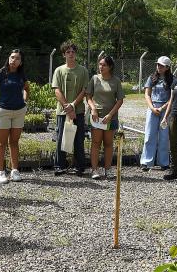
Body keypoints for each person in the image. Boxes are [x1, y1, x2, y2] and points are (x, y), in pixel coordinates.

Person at [0, 49, 30, 183]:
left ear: (21, 62)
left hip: (19, 112)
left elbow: (27, 88)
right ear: (8, 59)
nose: (14, 60)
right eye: (12, 57)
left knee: (14, 142)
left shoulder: (21, 75)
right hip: (3, 112)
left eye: (17, 58)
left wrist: (25, 101)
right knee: (1, 143)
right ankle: (0, 172)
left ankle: (14, 170)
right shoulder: (1, 73)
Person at [52, 40, 89, 176]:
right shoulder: (59, 70)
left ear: (76, 53)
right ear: (64, 54)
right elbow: (57, 90)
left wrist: (73, 105)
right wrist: (67, 107)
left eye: (73, 51)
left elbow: (84, 90)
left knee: (79, 139)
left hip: (78, 111)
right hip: (62, 112)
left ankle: (80, 166)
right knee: (62, 138)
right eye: (68, 52)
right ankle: (59, 166)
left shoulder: (83, 70)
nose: (71, 54)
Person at [86, 56, 125, 179]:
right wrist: (93, 109)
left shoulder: (116, 81)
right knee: (96, 142)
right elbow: (88, 96)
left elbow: (120, 100)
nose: (101, 67)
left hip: (110, 117)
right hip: (96, 117)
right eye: (100, 64)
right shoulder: (94, 78)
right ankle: (94, 170)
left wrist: (110, 115)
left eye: (104, 65)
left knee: (108, 143)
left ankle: (108, 169)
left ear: (110, 67)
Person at [140, 56, 173, 171]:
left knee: (164, 137)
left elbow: (172, 97)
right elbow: (147, 94)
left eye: (162, 65)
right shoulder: (151, 78)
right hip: (152, 108)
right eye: (158, 64)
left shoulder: (172, 80)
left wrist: (163, 108)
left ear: (167, 67)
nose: (159, 67)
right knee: (149, 135)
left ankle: (164, 162)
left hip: (166, 110)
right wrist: (152, 108)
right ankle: (146, 162)